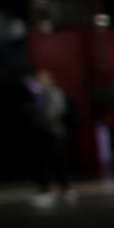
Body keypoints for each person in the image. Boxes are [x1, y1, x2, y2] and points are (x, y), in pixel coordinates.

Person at [27, 68, 72, 198]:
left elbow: (58, 109)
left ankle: (65, 186)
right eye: (39, 79)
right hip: (41, 132)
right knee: (42, 160)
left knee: (58, 159)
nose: (41, 81)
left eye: (44, 78)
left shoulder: (56, 92)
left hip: (54, 131)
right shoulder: (37, 95)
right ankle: (45, 187)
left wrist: (45, 119)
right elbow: (34, 110)